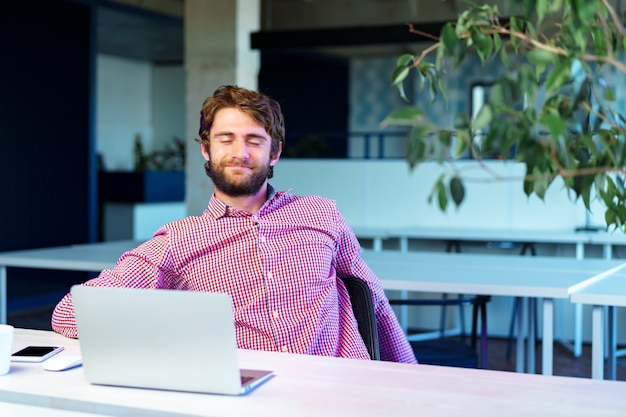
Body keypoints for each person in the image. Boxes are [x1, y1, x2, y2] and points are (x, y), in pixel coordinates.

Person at [51, 85, 417, 364]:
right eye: (225, 139)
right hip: (244, 397)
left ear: (274, 152)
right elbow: (71, 312)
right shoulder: (179, 240)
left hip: (335, 389)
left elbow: (374, 301)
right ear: (206, 150)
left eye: (254, 141)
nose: (240, 153)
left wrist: (413, 385)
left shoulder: (321, 215)